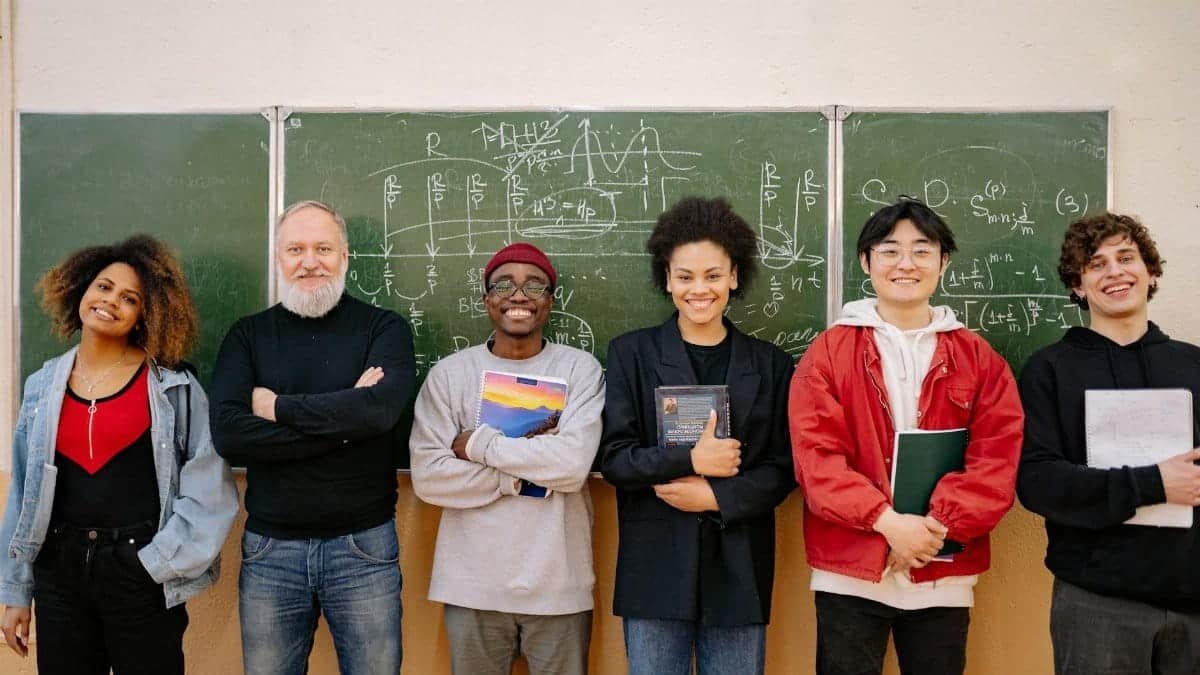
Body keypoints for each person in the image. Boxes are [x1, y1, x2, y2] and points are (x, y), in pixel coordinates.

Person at [789, 197, 1023, 675]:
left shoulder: (979, 358)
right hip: (849, 574)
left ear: (943, 262)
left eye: (922, 250)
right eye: (889, 250)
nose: (905, 264)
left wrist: (928, 532)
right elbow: (817, 461)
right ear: (865, 261)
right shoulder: (828, 353)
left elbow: (996, 458)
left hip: (944, 572)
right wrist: (888, 524)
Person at [0, 235, 238, 674]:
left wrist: (158, 563)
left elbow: (210, 490)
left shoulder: (174, 389)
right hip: (60, 574)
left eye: (130, 298)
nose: (111, 302)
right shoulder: (40, 387)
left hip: (140, 572)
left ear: (145, 315)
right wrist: (15, 592)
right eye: (104, 287)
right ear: (81, 289)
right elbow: (23, 495)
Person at [209, 200, 416, 675]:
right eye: (295, 249)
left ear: (345, 256)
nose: (309, 261)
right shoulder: (248, 336)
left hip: (363, 548)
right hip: (270, 551)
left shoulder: (383, 328)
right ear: (279, 258)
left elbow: (380, 411)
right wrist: (348, 420)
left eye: (323, 248)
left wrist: (276, 408)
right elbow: (230, 436)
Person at [599, 197, 796, 675]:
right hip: (655, 572)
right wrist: (691, 459)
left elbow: (784, 469)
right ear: (667, 280)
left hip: (738, 571)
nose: (699, 289)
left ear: (734, 276)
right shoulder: (632, 354)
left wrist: (714, 495)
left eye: (713, 275)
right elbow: (616, 460)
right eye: (684, 277)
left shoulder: (770, 364)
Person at [409, 242, 605, 675]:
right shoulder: (449, 375)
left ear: (550, 300)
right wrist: (514, 478)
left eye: (534, 285)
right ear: (487, 300)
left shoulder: (580, 370)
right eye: (504, 285)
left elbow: (571, 467)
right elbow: (429, 477)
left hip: (559, 585)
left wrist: (478, 446)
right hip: (472, 587)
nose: (518, 295)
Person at [1017, 212, 1200, 674]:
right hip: (1096, 602)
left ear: (1151, 272)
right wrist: (1154, 483)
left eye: (1126, 258)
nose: (1114, 272)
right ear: (1078, 286)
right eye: (1096, 264)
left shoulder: (1194, 365)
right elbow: (1037, 480)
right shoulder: (1049, 370)